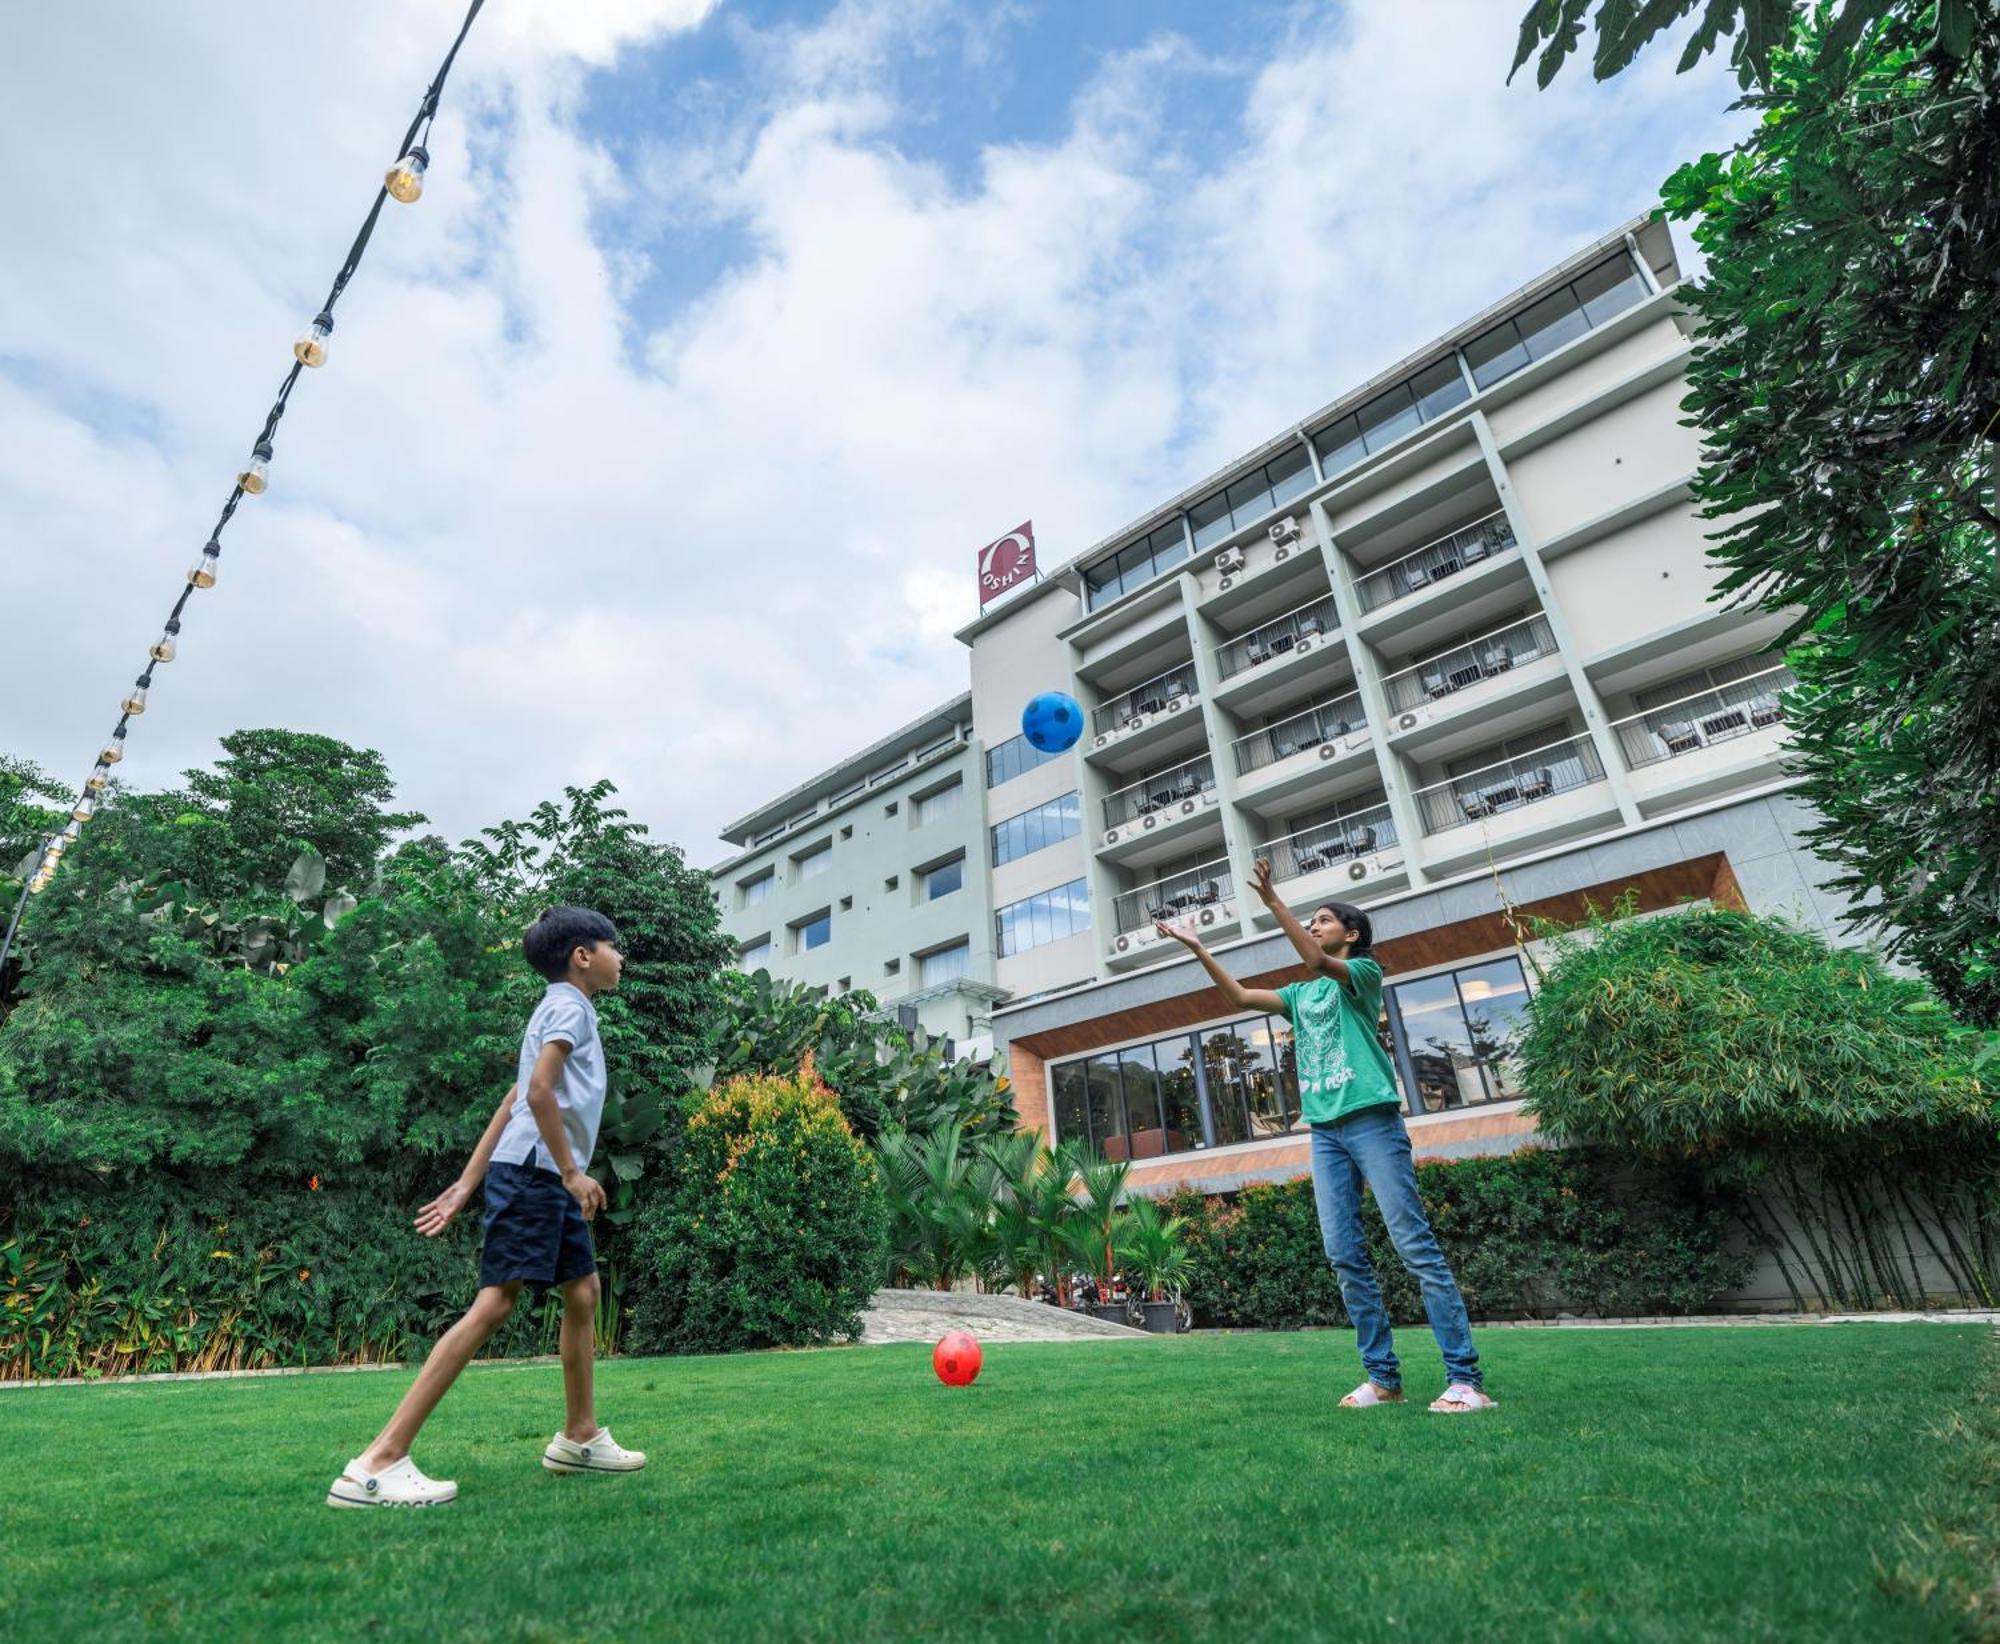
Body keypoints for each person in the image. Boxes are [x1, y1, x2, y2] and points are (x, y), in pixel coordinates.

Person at [327, 906, 649, 1507]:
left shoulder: (565, 1008)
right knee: (495, 1304)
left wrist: (467, 1181)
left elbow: (513, 1099)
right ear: (583, 956)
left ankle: (579, 1436)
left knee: (583, 1292)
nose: (620, 957)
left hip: (536, 1173)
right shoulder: (567, 1007)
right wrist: (574, 1172)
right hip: (537, 1175)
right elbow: (536, 1093)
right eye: (613, 946)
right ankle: (377, 1461)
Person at [1156, 861, 1496, 1413]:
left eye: (1322, 920)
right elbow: (1240, 998)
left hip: (1372, 1121)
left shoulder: (1364, 973)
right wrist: (1197, 947)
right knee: (1343, 1255)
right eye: (1309, 920)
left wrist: (1272, 901)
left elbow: (1316, 959)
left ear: (1351, 933)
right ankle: (1383, 1378)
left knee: (1415, 1248)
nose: (1314, 927)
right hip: (1326, 1133)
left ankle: (1465, 1380)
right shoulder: (1301, 995)